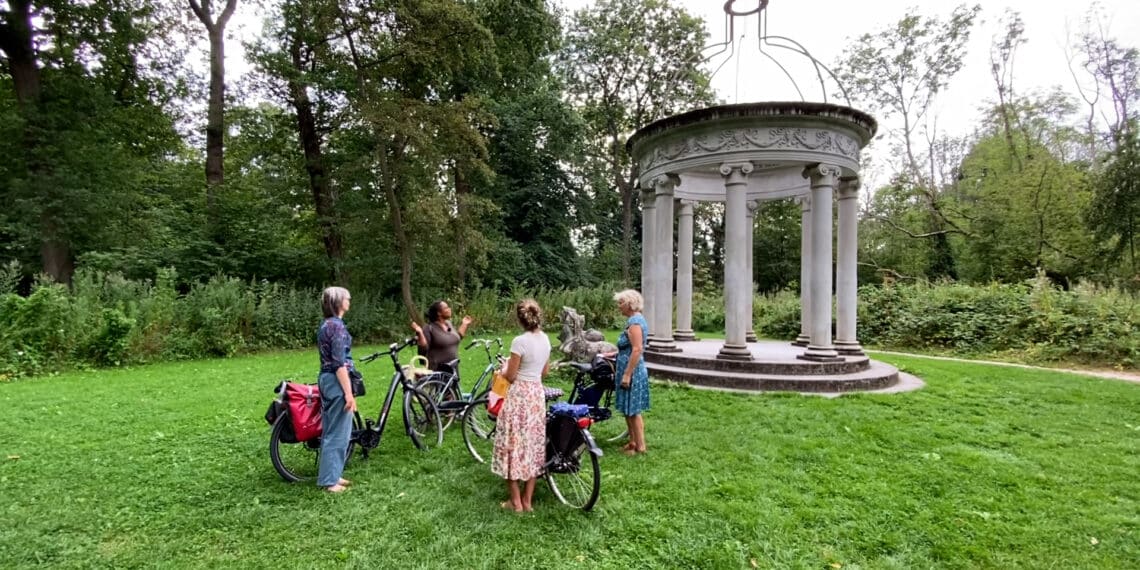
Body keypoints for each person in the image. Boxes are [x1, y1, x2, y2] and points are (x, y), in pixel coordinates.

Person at [491, 299, 551, 512]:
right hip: (536, 395)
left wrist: (504, 367)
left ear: (520, 319)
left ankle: (515, 502)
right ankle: (528, 500)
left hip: (519, 397)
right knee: (532, 444)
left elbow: (511, 375)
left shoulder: (519, 342)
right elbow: (545, 372)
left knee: (512, 444)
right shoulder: (545, 339)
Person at [316, 286, 358, 493]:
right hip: (336, 379)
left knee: (330, 430)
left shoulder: (325, 325)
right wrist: (349, 394)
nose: (349, 301)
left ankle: (331, 474)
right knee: (339, 432)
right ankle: (329, 482)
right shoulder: (338, 327)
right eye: (347, 298)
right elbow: (339, 364)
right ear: (338, 302)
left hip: (325, 379)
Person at [613, 289, 649, 455]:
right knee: (628, 408)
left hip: (632, 371)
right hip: (627, 368)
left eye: (621, 303)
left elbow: (637, 349)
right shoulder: (633, 320)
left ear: (629, 304)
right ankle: (633, 442)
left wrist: (627, 374)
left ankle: (641, 446)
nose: (619, 306)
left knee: (633, 410)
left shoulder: (635, 322)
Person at [411, 300, 473, 371]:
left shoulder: (448, 324)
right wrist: (420, 333)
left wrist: (464, 324)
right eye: (446, 308)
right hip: (437, 372)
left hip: (452, 368)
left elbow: (457, 337)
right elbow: (423, 349)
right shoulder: (429, 328)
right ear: (439, 313)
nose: (449, 309)